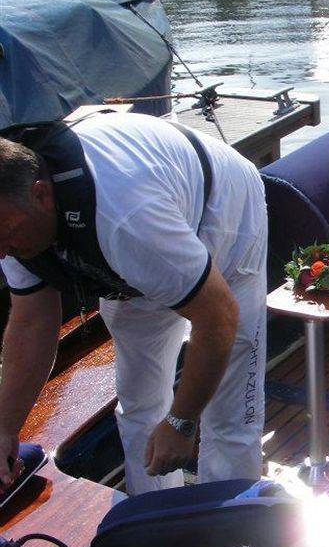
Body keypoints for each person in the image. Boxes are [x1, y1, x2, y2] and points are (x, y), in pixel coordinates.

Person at [0, 111, 267, 496]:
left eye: (7, 235)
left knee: (230, 411)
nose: (4, 252)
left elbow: (218, 316)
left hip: (221, 208)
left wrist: (182, 421)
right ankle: (153, 519)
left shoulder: (125, 219)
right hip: (137, 240)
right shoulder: (11, 221)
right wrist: (6, 427)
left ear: (41, 194)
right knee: (138, 400)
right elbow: (31, 322)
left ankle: (230, 527)